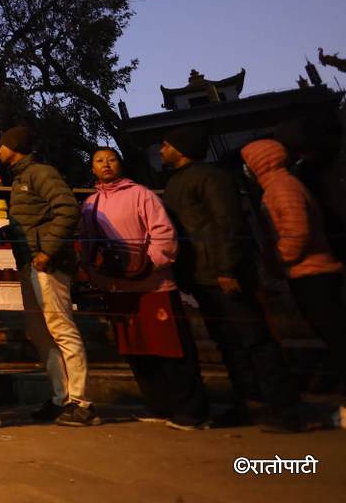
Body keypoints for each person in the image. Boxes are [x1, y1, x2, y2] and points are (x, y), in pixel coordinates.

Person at [160, 125, 300, 431]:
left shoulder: (212, 178)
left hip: (221, 272)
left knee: (255, 340)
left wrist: (227, 268)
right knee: (227, 343)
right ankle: (249, 402)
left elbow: (227, 223)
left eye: (166, 145)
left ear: (181, 148)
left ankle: (285, 407)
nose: (161, 150)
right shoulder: (175, 184)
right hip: (199, 273)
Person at [80, 147, 209, 430]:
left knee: (170, 347)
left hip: (154, 284)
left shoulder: (141, 194)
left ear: (120, 163)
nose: (106, 165)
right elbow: (88, 242)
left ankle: (191, 410)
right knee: (136, 348)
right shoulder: (91, 203)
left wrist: (150, 264)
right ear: (92, 168)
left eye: (111, 159)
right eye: (99, 161)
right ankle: (159, 404)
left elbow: (163, 232)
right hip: (117, 286)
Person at [0, 126, 98, 426]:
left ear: (14, 146)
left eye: (1, 145)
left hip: (46, 262)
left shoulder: (41, 173)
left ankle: (82, 401)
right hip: (29, 261)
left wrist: (48, 251)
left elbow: (67, 209)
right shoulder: (20, 178)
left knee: (60, 327)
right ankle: (61, 397)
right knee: (41, 334)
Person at [240, 139, 346, 418]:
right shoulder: (280, 186)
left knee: (335, 334)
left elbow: (297, 231)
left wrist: (278, 259)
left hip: (312, 270)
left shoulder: (281, 189)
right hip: (309, 268)